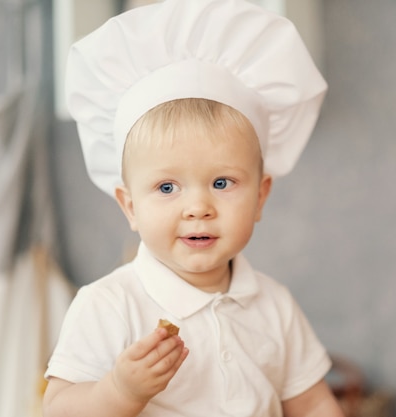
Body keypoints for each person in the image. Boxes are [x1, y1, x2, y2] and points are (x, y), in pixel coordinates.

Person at [43, 1, 344, 416]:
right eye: (167, 187)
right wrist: (119, 391)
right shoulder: (110, 305)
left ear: (260, 196)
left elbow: (311, 404)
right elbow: (57, 409)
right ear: (130, 206)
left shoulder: (274, 306)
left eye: (222, 183)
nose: (198, 207)